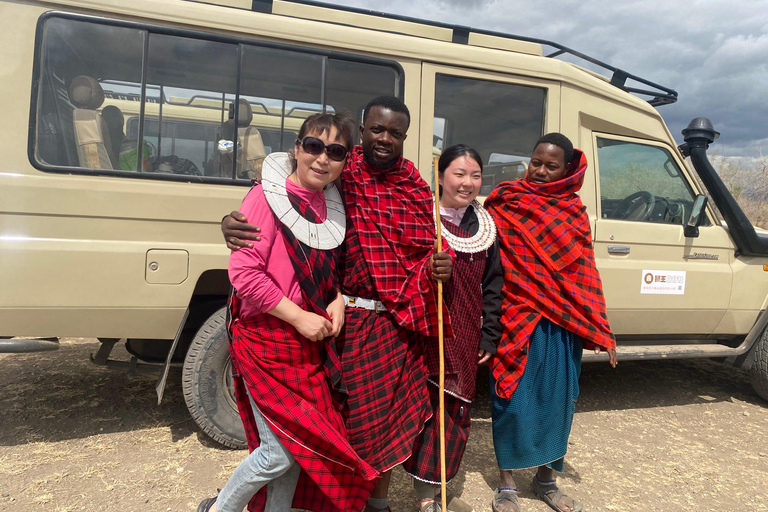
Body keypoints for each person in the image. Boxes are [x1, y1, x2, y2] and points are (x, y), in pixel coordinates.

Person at [222, 96, 453, 512]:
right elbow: (251, 259)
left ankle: (374, 504)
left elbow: (419, 248)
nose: (385, 138)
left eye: (395, 133)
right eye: (377, 130)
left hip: (382, 325)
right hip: (319, 332)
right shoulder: (343, 180)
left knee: (376, 424)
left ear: (404, 137)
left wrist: (438, 266)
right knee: (330, 432)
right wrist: (229, 220)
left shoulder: (410, 187)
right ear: (363, 132)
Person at [198, 112, 378, 512]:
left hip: (305, 346)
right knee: (278, 453)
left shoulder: (331, 204)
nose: (322, 159)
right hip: (266, 337)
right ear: (297, 149)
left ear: (345, 161)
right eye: (313, 146)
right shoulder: (264, 197)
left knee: (300, 447)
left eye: (335, 152)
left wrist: (338, 300)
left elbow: (331, 272)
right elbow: (244, 274)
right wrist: (298, 316)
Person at [484, 133, 618, 512]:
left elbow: (584, 273)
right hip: (516, 317)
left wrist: (601, 328)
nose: (540, 171)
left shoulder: (573, 211)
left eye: (551, 165)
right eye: (536, 162)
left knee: (557, 401)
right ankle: (506, 483)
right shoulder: (506, 201)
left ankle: (545, 480)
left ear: (566, 170)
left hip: (560, 324)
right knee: (509, 399)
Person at [402, 145, 503, 512]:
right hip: (425, 332)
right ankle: (425, 497)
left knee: (455, 413)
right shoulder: (422, 217)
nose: (467, 183)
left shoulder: (486, 225)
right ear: (441, 176)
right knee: (425, 411)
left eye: (475, 175)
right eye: (459, 174)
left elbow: (494, 285)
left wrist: (489, 334)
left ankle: (437, 488)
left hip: (464, 334)